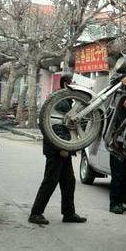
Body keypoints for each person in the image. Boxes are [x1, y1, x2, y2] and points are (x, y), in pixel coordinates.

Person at [28, 74, 87, 225]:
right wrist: (62, 147)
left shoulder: (66, 101)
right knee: (50, 181)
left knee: (69, 182)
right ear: (67, 84)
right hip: (57, 150)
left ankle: (69, 213)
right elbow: (55, 127)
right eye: (73, 82)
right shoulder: (60, 102)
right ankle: (35, 213)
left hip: (63, 149)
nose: (75, 85)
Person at [109, 97, 126, 214]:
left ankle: (120, 202)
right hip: (116, 150)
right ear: (122, 101)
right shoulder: (116, 114)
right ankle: (113, 204)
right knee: (117, 178)